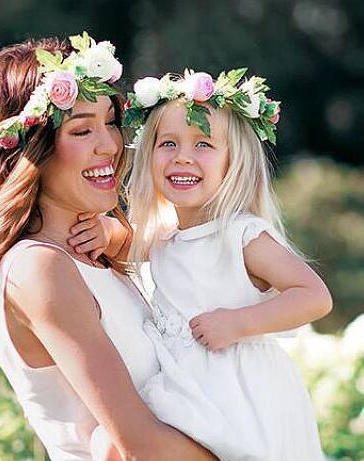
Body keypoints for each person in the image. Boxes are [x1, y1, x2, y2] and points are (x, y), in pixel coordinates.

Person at [0, 34, 220, 461]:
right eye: (81, 129)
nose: (109, 145)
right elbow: (140, 448)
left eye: (110, 121)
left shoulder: (90, 254)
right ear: (30, 151)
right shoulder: (39, 268)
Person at [72, 69, 332, 460]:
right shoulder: (164, 234)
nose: (183, 157)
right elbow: (132, 241)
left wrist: (239, 322)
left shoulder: (241, 236)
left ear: (234, 162)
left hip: (240, 393)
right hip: (186, 385)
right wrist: (107, 234)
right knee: (116, 440)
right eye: (169, 143)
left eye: (203, 144)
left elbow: (314, 297)